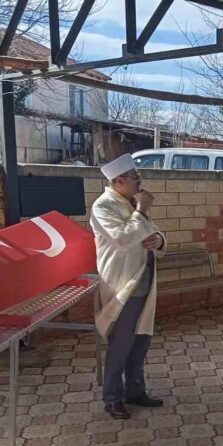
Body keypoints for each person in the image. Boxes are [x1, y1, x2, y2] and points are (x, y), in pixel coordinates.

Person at [90, 154, 167, 420]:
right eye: (135, 177)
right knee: (121, 344)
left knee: (141, 341)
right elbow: (123, 239)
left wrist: (159, 239)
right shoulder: (103, 207)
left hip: (144, 280)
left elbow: (151, 231)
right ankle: (113, 398)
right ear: (119, 181)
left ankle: (135, 391)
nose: (140, 180)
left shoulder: (132, 202)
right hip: (122, 284)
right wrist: (142, 209)